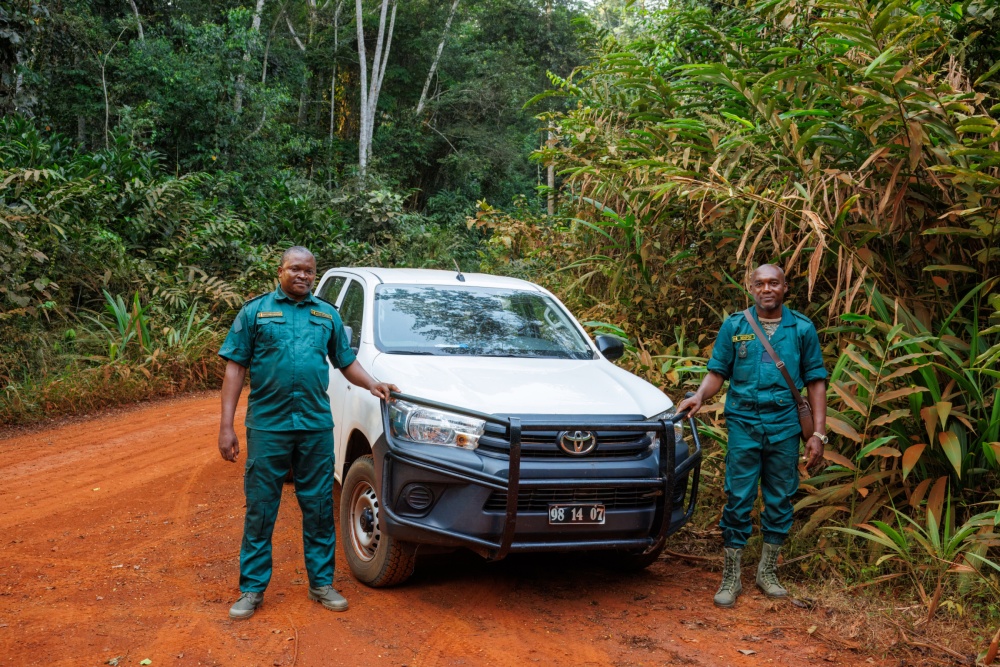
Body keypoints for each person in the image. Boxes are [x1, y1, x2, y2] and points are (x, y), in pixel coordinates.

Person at [217, 246, 398, 620]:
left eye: (309, 271)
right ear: (280, 270)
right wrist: (226, 426)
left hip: (315, 427)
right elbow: (235, 368)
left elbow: (346, 363)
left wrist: (374, 384)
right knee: (261, 508)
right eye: (296, 269)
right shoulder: (255, 312)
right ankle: (252, 588)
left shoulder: (326, 314)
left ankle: (321, 584)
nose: (303, 276)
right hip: (267, 427)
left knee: (317, 508)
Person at [676, 264, 827, 608]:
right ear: (751, 288)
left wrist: (818, 433)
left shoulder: (802, 328)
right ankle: (731, 576)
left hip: (785, 426)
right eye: (760, 283)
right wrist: (699, 396)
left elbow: (816, 381)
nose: (767, 289)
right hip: (744, 424)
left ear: (785, 288)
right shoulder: (735, 326)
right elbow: (717, 372)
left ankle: (767, 572)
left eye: (774, 283)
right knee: (738, 498)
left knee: (780, 497)